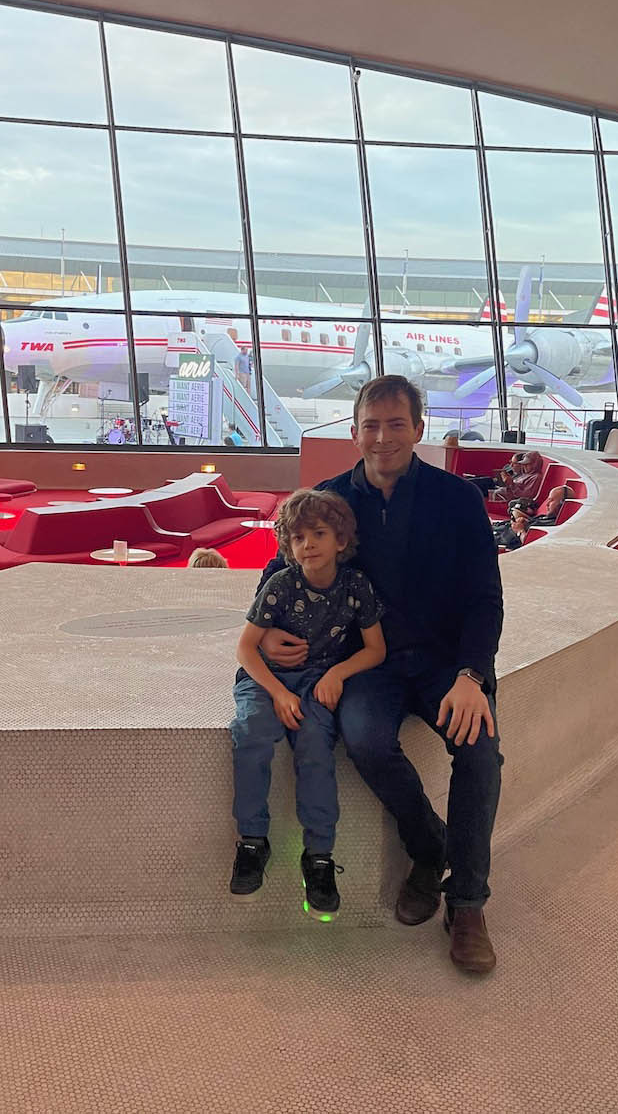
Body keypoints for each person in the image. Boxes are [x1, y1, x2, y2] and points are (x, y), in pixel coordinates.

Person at [257, 375, 504, 972]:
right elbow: (282, 564)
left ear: (419, 430)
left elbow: (484, 598)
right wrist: (265, 628)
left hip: (448, 664)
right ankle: (429, 848)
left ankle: (466, 903)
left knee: (479, 754)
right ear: (353, 432)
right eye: (371, 425)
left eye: (397, 425)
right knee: (365, 739)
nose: (383, 437)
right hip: (371, 663)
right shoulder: (331, 499)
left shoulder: (459, 499)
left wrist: (472, 675)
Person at [230, 489, 386, 919]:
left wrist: (337, 674)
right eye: (298, 538)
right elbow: (245, 650)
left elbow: (376, 649)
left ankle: (318, 855)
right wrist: (278, 693)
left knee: (316, 743)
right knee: (251, 734)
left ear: (341, 540)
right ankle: (252, 842)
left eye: (318, 534)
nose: (308, 545)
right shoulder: (281, 584)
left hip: (317, 680)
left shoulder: (355, 587)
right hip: (266, 679)